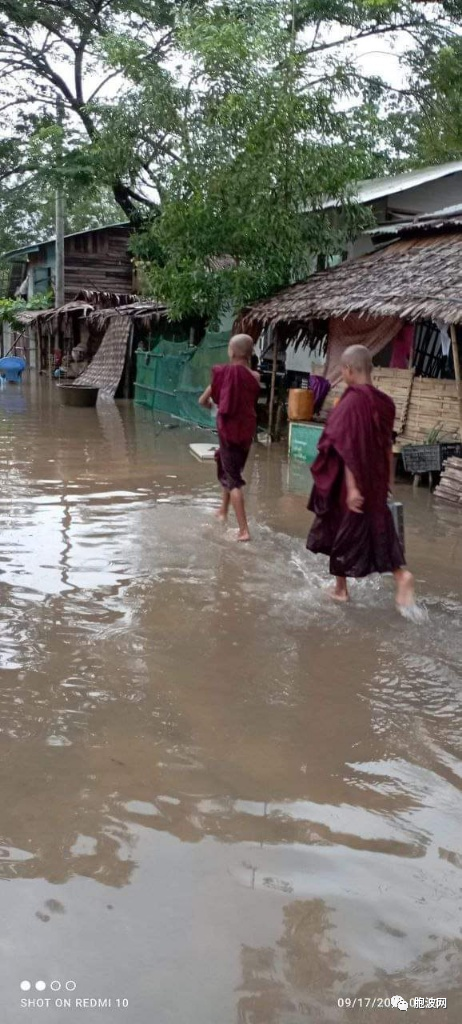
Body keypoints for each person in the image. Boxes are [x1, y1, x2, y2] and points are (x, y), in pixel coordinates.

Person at [306, 344, 415, 608]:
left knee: (340, 529)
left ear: (348, 370)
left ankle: (344, 589)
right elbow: (387, 446)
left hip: (351, 481)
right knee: (379, 529)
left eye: (342, 372)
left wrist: (353, 488)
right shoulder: (385, 403)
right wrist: (388, 481)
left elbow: (346, 447)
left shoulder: (350, 402)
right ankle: (396, 576)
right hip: (376, 479)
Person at [199, 334, 260, 541]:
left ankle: (244, 530)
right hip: (246, 434)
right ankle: (223, 511)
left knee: (234, 480)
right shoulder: (255, 376)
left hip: (228, 433)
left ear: (231, 352)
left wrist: (212, 406)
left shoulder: (222, 374)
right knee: (229, 468)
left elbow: (203, 400)